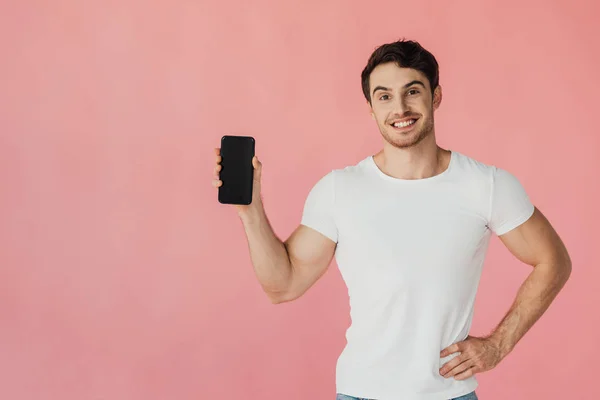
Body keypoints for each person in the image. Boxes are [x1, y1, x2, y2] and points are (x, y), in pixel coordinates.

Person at [211, 39, 572, 400]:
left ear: (436, 96)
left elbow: (553, 260)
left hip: (449, 394)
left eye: (412, 91)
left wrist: (498, 344)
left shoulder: (487, 185)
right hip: (361, 392)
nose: (399, 108)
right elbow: (283, 285)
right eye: (384, 96)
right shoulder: (340, 190)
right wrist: (250, 210)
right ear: (370, 107)